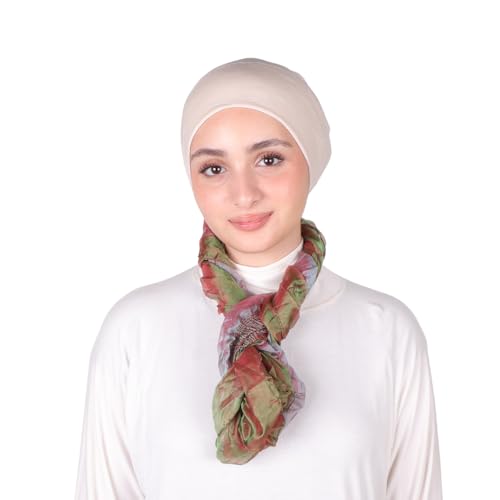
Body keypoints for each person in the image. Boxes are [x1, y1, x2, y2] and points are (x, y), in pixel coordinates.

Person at [74, 57, 443, 499]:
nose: (244, 194)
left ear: (310, 161)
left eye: (269, 159)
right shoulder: (135, 328)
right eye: (214, 168)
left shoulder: (386, 328)